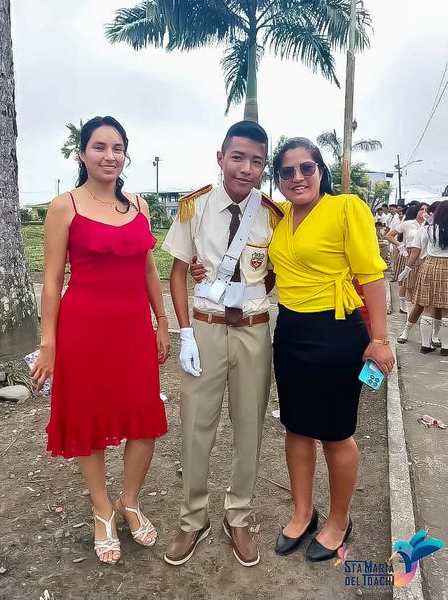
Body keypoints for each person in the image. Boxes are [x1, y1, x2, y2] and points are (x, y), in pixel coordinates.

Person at [31, 116, 169, 565]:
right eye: (99, 147)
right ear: (82, 153)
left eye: (118, 148)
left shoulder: (139, 206)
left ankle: (130, 500)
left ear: (125, 154)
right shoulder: (64, 206)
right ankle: (102, 510)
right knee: (89, 420)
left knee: (144, 419)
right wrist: (48, 343)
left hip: (133, 330)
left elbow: (149, 270)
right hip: (83, 331)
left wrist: (161, 320)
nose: (110, 156)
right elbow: (52, 280)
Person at [161, 120, 282, 568]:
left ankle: (239, 516)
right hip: (206, 329)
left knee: (250, 426)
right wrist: (185, 333)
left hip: (253, 330)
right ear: (221, 158)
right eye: (238, 157)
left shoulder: (273, 215)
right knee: (195, 425)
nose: (246, 168)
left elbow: (274, 274)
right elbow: (177, 273)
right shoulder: (193, 207)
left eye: (256, 161)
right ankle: (193, 518)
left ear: (264, 166)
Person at [269, 138, 394, 562]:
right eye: (287, 171)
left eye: (307, 167)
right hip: (290, 331)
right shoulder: (280, 217)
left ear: (320, 171)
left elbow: (371, 275)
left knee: (336, 433)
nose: (298, 177)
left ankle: (339, 520)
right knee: (296, 427)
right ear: (278, 179)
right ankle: (303, 512)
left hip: (337, 332)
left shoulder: (345, 208)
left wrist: (379, 340)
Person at [397, 201, 442, 348]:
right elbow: (415, 251)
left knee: (439, 306)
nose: (425, 212)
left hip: (438, 268)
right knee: (420, 304)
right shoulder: (423, 229)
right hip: (423, 266)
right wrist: (406, 269)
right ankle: (406, 331)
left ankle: (435, 336)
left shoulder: (443, 229)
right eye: (423, 210)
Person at [409, 200, 448, 354]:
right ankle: (445, 346)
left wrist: (407, 269)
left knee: (427, 307)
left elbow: (416, 250)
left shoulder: (427, 229)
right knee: (446, 310)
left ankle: (425, 345)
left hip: (430, 266)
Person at [386, 202, 427, 314]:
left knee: (418, 283)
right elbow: (389, 235)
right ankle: (406, 309)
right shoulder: (408, 224)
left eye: (426, 210)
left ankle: (411, 308)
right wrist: (399, 244)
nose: (424, 212)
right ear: (416, 211)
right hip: (409, 253)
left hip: (424, 255)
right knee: (408, 283)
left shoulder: (428, 225)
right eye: (421, 209)